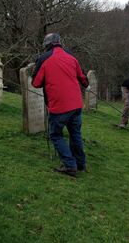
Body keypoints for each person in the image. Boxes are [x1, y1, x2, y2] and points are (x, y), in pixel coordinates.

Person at [32, 33, 89, 177]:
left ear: (47, 45)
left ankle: (70, 165)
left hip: (59, 105)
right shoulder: (71, 56)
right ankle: (80, 164)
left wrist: (37, 67)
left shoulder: (44, 58)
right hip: (76, 104)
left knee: (55, 135)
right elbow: (84, 79)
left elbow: (36, 83)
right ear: (59, 42)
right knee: (75, 133)